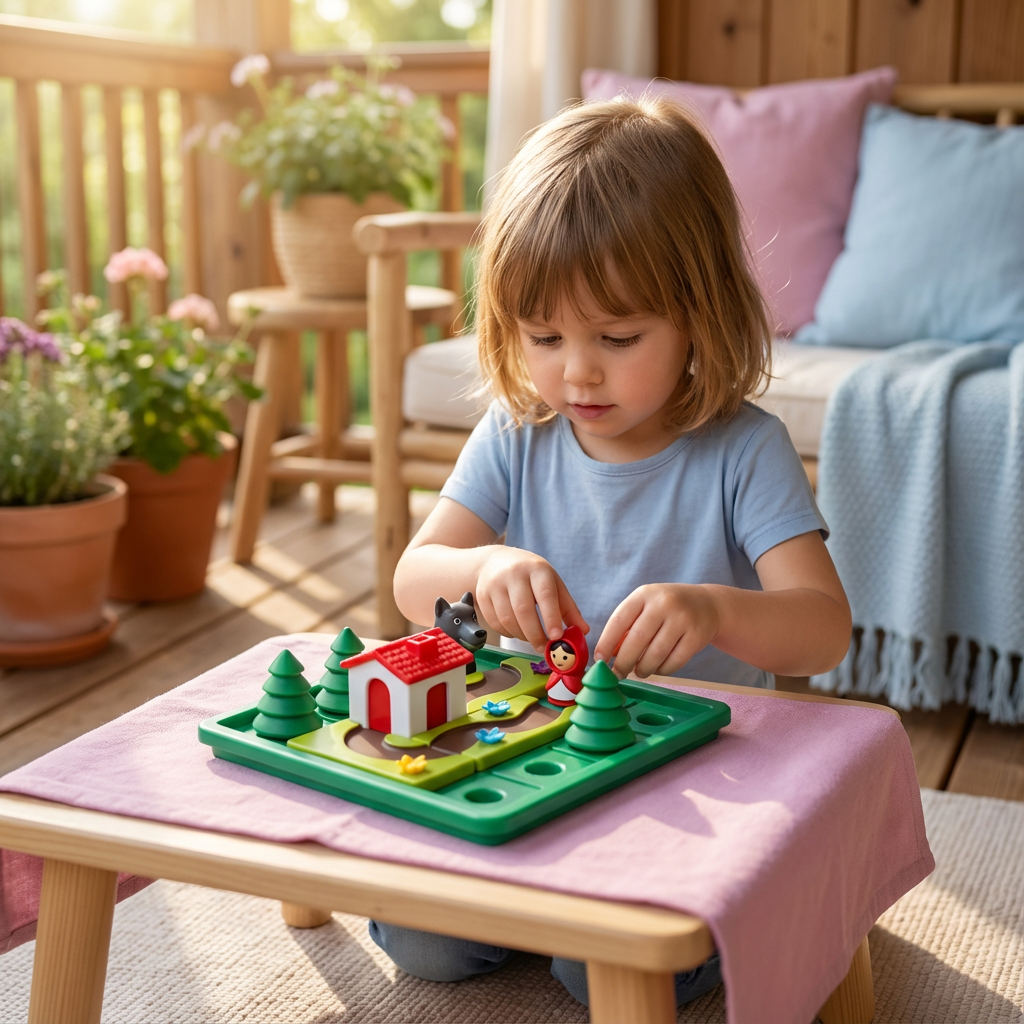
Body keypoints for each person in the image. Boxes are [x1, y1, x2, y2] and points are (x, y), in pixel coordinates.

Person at [372, 95, 852, 1008]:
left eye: (618, 338)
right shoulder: (518, 433)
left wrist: (717, 609)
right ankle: (542, 896)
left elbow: (822, 631)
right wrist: (481, 569)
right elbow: (411, 579)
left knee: (606, 969)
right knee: (419, 941)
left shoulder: (742, 450)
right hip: (531, 757)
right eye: (544, 336)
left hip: (697, 777)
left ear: (699, 313)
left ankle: (667, 915)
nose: (576, 371)